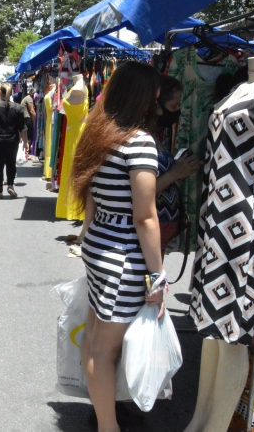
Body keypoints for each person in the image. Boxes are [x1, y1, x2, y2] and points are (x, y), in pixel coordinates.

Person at [71, 61, 165, 432]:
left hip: (100, 245)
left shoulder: (98, 134)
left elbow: (91, 198)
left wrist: (87, 238)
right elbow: (145, 217)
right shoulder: (139, 142)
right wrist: (157, 277)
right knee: (103, 349)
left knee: (96, 338)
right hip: (122, 254)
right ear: (144, 96)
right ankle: (108, 427)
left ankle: (105, 417)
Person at [154, 75, 197, 253]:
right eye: (174, 106)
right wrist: (174, 173)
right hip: (149, 235)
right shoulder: (140, 139)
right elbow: (140, 193)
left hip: (159, 234)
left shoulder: (155, 134)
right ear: (156, 104)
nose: (177, 111)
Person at [21, 89, 36, 159]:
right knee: (30, 136)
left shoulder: (26, 98)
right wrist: (35, 119)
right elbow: (32, 111)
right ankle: (27, 152)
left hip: (24, 118)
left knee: (26, 136)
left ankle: (26, 152)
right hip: (27, 119)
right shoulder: (29, 99)